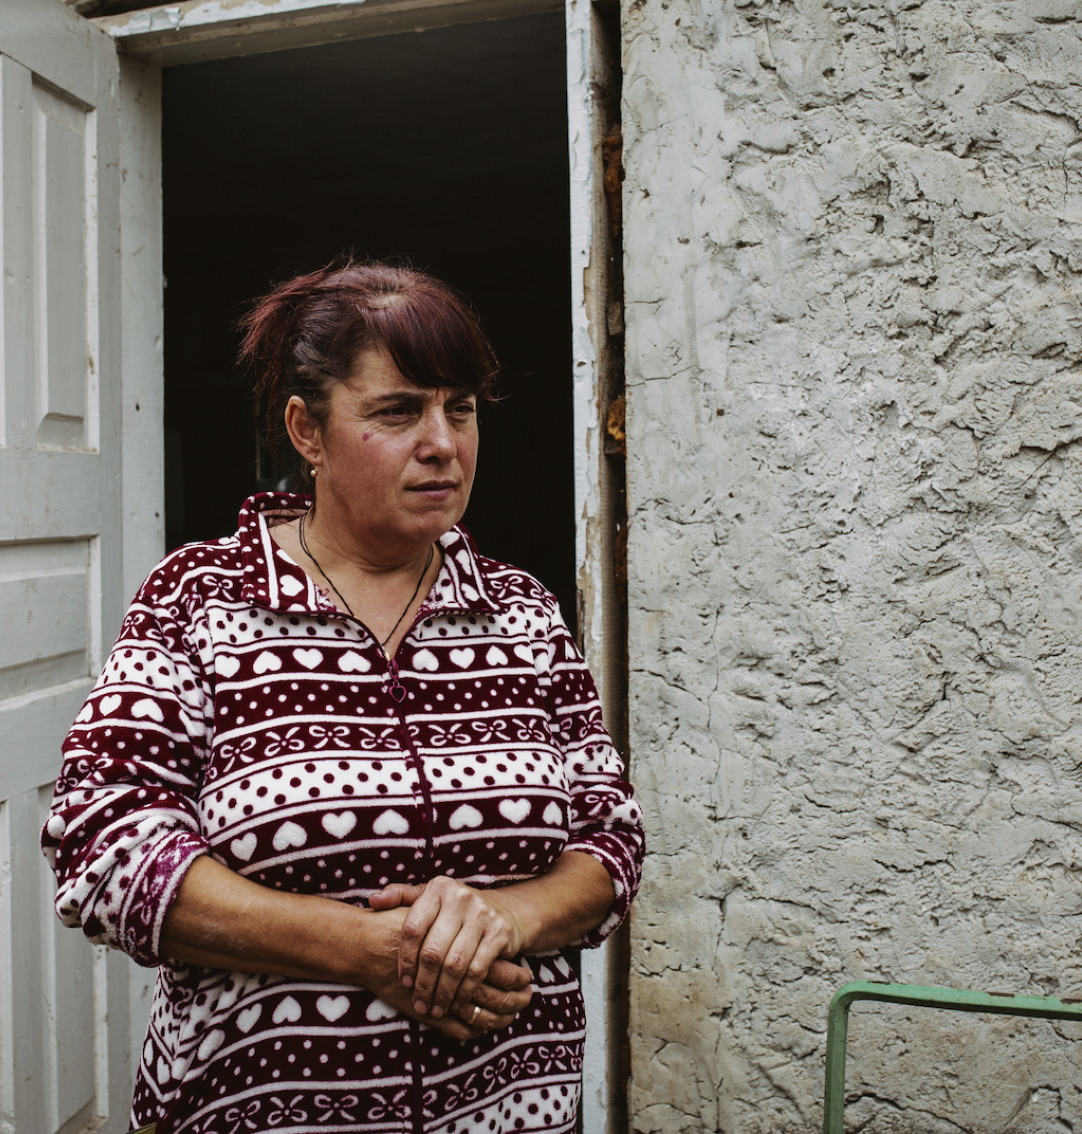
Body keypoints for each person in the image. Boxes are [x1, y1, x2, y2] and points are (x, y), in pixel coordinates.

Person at [42, 259, 645, 1134]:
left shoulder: (522, 613)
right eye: (398, 411)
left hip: (507, 1108)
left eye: (461, 408)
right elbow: (103, 848)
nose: (443, 441)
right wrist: (366, 951)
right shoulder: (200, 601)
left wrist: (505, 916)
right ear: (308, 431)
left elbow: (610, 841)